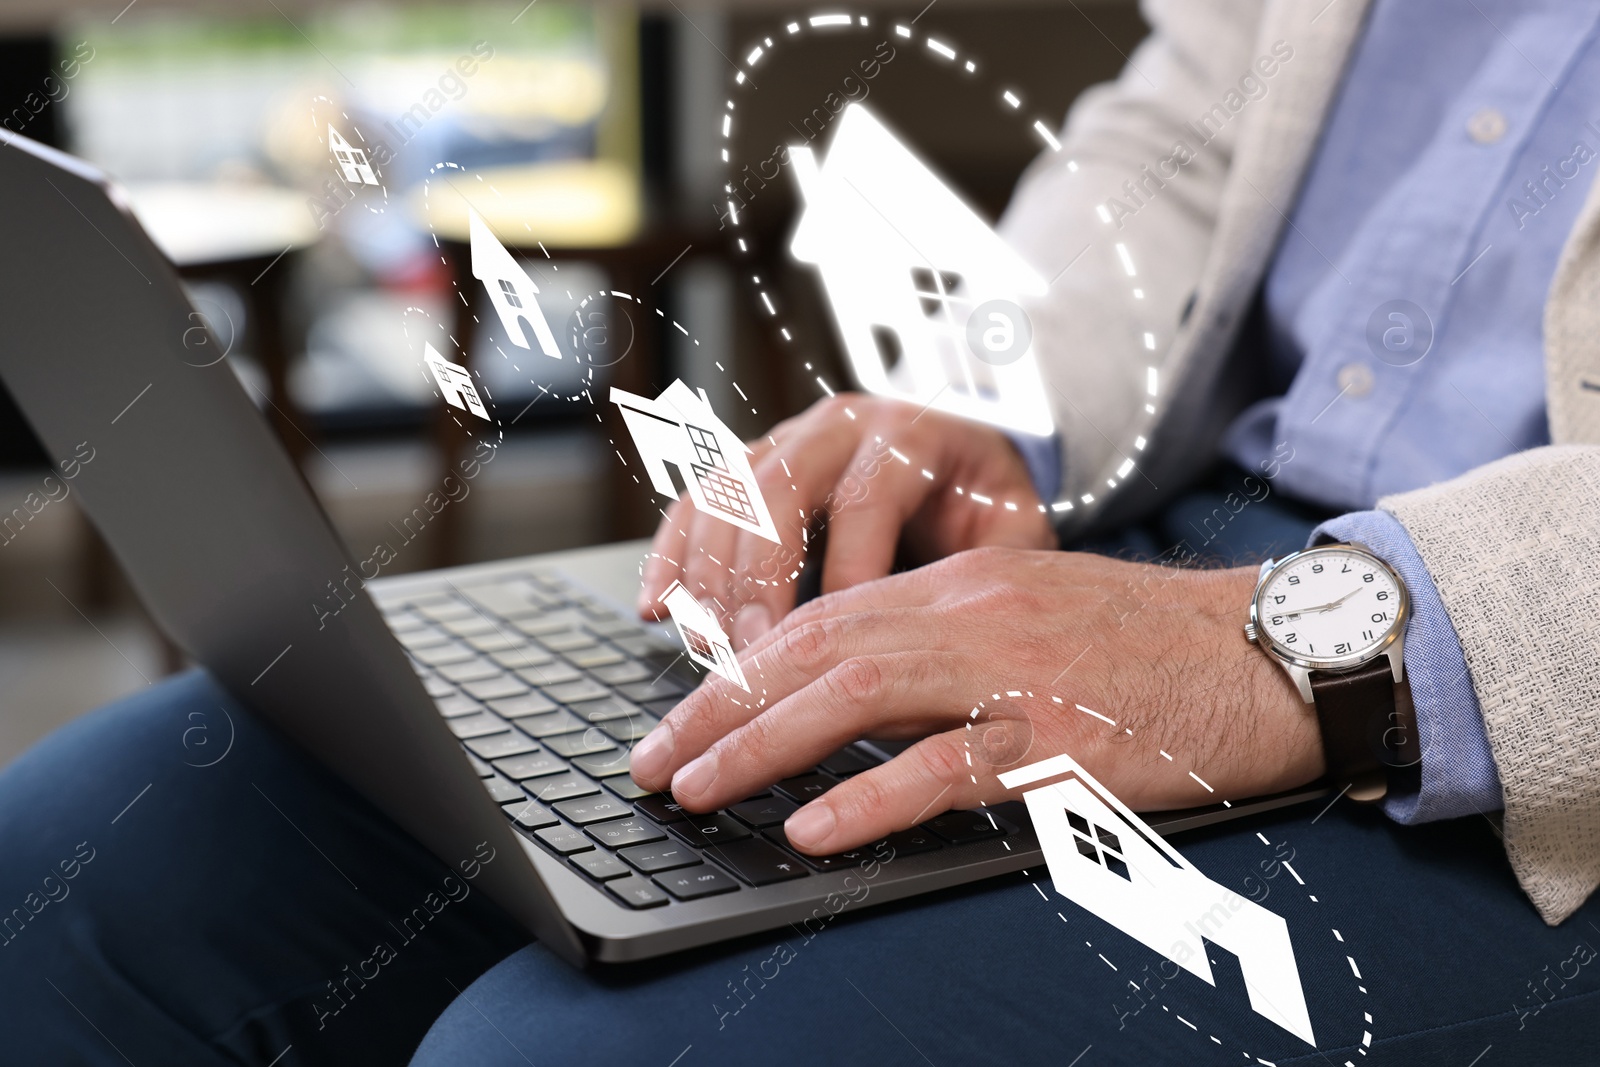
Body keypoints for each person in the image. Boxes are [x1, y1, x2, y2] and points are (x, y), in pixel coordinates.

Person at [3, 0, 1598, 1063]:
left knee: (548, 1054)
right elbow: (1185, 141)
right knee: (77, 860)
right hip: (1158, 528)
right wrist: (995, 402)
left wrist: (1299, 642)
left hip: (1516, 736)